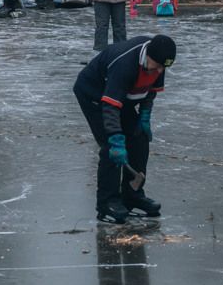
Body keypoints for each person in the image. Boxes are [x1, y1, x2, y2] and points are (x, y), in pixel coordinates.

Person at [73, 35, 176, 224]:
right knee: (111, 148)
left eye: (164, 67)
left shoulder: (159, 61)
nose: (160, 71)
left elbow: (150, 91)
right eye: (158, 66)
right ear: (148, 56)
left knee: (139, 139)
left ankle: (133, 195)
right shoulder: (125, 63)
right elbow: (110, 107)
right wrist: (115, 138)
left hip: (123, 96)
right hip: (95, 95)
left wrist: (144, 116)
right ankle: (107, 202)